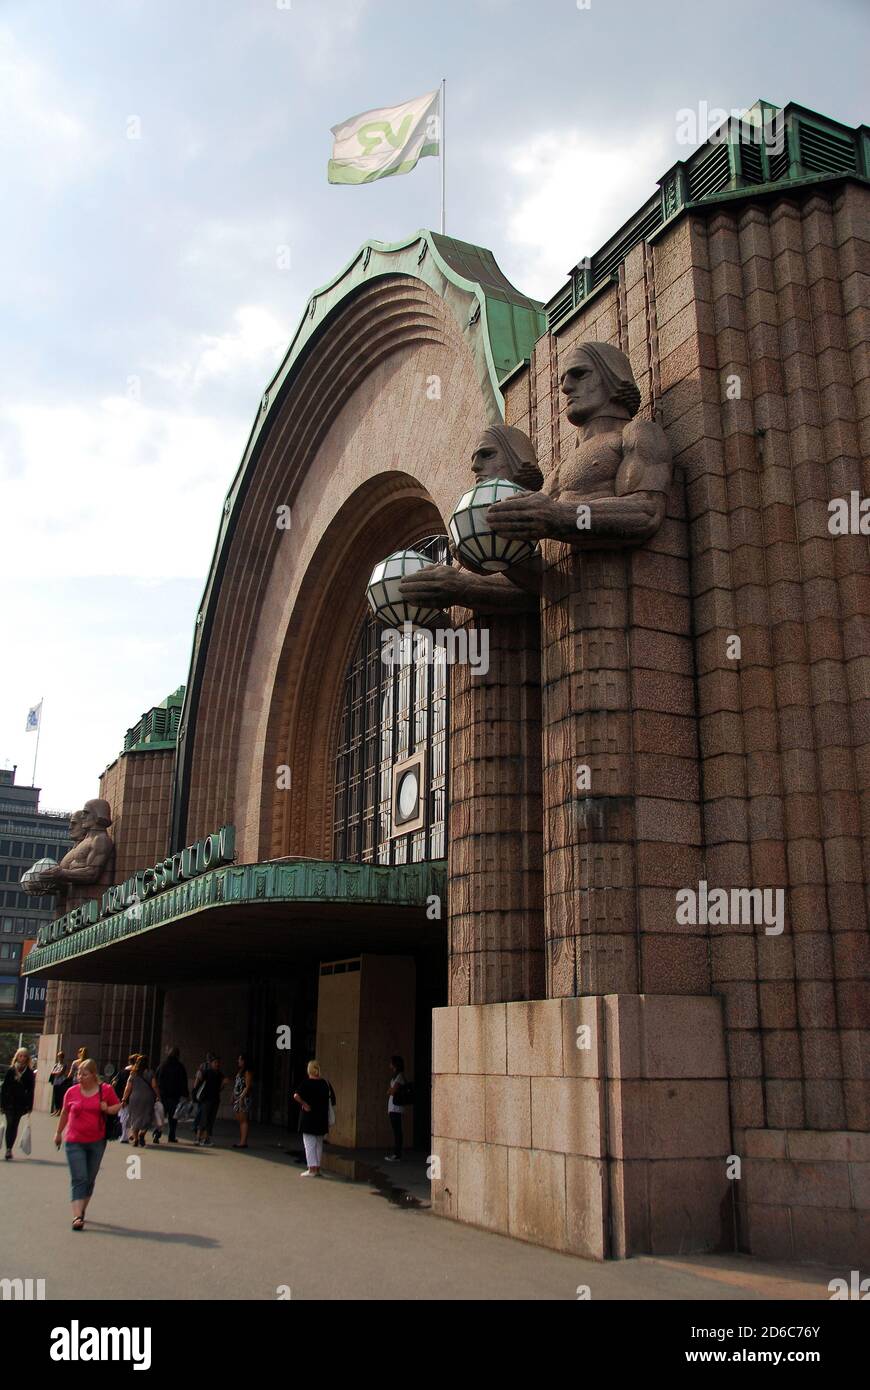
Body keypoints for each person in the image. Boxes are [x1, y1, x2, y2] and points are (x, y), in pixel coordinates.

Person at [54, 1057, 122, 1231]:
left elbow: (118, 1106)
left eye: (84, 1074)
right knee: (79, 1178)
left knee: (90, 1178)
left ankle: (82, 1210)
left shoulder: (105, 1090)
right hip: (74, 1140)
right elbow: (64, 1113)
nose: (79, 1077)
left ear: (93, 1075)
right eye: (78, 1073)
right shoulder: (71, 1092)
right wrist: (58, 1133)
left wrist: (107, 1109)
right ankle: (77, 1216)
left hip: (97, 1141)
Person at [292, 1060, 335, 1178]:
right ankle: (317, 1168)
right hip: (321, 1118)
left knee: (309, 1144)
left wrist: (304, 1104)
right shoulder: (325, 1083)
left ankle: (311, 1169)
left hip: (309, 1118)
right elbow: (333, 1100)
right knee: (319, 1144)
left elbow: (296, 1095)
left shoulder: (306, 1083)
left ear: (309, 1070)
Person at [1, 1048, 36, 1160]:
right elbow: (4, 1087)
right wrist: (1, 1103)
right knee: (10, 1123)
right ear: (17, 1057)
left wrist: (30, 1106)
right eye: (20, 1056)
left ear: (27, 1058)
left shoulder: (29, 1073)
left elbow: (31, 1090)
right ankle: (8, 1150)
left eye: (25, 1056)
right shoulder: (11, 1070)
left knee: (14, 1125)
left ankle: (9, 1148)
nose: (22, 1058)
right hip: (9, 1103)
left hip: (21, 1104)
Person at [122, 1054, 159, 1148]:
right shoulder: (150, 1072)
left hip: (135, 1097)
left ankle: (136, 1139)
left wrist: (124, 1099)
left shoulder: (133, 1073)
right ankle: (142, 1133)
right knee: (148, 1115)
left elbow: (128, 1088)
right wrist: (158, 1095)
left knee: (134, 1117)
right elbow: (154, 1085)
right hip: (148, 1097)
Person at [155, 1046, 188, 1144]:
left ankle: (157, 1135)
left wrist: (157, 1094)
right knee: (173, 1118)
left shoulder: (162, 1065)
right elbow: (183, 1082)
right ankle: (171, 1136)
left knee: (160, 1117)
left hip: (163, 1096)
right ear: (178, 1055)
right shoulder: (180, 1067)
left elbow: (156, 1079)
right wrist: (185, 1094)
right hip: (174, 1097)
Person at [193, 1055, 227, 1147]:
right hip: (206, 1099)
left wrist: (223, 1084)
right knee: (204, 1118)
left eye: (218, 1063)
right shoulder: (207, 1072)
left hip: (215, 1099)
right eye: (215, 1062)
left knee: (211, 1120)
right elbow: (198, 1081)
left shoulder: (219, 1074)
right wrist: (197, 1081)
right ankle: (198, 1138)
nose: (217, 1064)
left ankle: (205, 1138)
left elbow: (220, 1088)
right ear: (211, 1063)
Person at [385, 1055, 406, 1162]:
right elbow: (391, 1090)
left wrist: (390, 1090)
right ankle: (396, 1153)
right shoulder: (396, 1076)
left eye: (391, 1063)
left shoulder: (400, 1076)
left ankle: (397, 1154)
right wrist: (390, 1090)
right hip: (393, 1107)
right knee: (396, 1130)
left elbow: (392, 1091)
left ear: (395, 1064)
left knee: (397, 1131)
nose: (390, 1065)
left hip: (396, 1108)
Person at [232, 1054, 254, 1149]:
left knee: (243, 1119)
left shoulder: (248, 1072)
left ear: (244, 1061)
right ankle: (241, 1140)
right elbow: (237, 1083)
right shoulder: (240, 1071)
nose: (238, 1061)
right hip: (238, 1097)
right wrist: (233, 1095)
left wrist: (241, 1097)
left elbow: (248, 1086)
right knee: (239, 1118)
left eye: (240, 1059)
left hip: (244, 1098)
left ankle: (243, 1142)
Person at [49, 1050, 67, 1115]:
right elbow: (52, 1072)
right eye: (58, 1056)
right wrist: (55, 1073)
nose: (59, 1058)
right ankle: (56, 1109)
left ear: (62, 1057)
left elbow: (61, 1073)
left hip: (61, 1082)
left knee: (60, 1096)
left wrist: (55, 1073)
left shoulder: (64, 1065)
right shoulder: (56, 1064)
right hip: (55, 1082)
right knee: (55, 1096)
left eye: (60, 1057)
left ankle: (59, 1110)